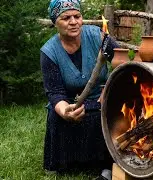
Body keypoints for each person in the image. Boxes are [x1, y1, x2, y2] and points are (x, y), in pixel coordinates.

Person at [40, 0, 119, 179]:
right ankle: (72, 160)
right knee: (56, 113)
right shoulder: (49, 52)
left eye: (77, 16)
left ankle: (107, 165)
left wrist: (108, 88)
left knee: (108, 112)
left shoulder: (98, 36)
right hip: (71, 103)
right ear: (55, 22)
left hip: (101, 99)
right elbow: (54, 92)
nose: (73, 21)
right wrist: (65, 110)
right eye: (66, 18)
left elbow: (123, 64)